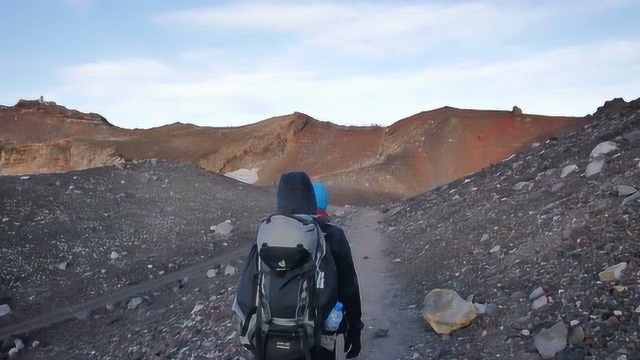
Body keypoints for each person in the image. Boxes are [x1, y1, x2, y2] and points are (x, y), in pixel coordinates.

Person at [235, 172, 363, 360]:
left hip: (267, 337)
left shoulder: (265, 236)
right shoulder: (332, 235)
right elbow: (348, 288)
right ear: (311, 199)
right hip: (317, 338)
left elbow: (247, 288)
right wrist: (354, 329)